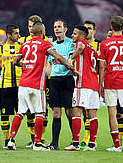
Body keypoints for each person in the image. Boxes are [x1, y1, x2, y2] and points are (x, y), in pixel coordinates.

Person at [7, 22, 78, 151]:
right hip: (36, 84)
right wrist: (69, 67)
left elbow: (15, 61)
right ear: (42, 32)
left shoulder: (25, 44)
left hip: (23, 83)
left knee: (20, 112)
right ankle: (38, 143)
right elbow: (57, 56)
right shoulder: (45, 44)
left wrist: (26, 67)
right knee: (40, 112)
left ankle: (11, 140)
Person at [98, 16, 123, 152]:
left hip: (110, 81)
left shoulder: (104, 44)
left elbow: (102, 67)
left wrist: (100, 85)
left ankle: (116, 145)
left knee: (112, 113)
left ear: (111, 27)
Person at [64, 25, 99, 151]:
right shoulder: (93, 49)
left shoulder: (81, 43)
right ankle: (92, 144)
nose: (72, 35)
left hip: (82, 84)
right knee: (92, 115)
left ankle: (75, 143)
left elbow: (80, 47)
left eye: (74, 33)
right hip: (94, 85)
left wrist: (71, 58)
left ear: (82, 35)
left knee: (76, 111)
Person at [19, 15, 51, 148]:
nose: (30, 29)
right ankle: (34, 139)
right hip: (32, 80)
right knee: (31, 112)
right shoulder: (23, 40)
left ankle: (40, 138)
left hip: (43, 79)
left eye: (32, 26)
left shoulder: (48, 41)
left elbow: (49, 61)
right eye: (28, 26)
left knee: (44, 110)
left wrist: (44, 71)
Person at [46, 19, 74, 150]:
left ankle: (75, 141)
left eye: (59, 27)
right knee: (56, 113)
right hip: (55, 80)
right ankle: (54, 143)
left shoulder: (71, 43)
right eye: (55, 27)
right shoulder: (51, 45)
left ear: (65, 29)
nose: (57, 29)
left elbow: (72, 61)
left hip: (67, 79)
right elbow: (50, 66)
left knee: (69, 112)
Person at [0, 24, 21, 149]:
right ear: (9, 35)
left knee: (29, 113)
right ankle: (7, 140)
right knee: (5, 115)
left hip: (21, 85)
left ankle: (33, 140)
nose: (18, 35)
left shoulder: (22, 47)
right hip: (5, 86)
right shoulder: (0, 49)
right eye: (16, 33)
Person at [79, 20, 101, 149]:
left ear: (94, 30)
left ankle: (88, 138)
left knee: (91, 112)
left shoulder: (99, 45)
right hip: (82, 82)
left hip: (94, 83)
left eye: (90, 28)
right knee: (83, 113)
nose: (88, 31)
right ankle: (87, 138)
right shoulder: (79, 44)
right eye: (86, 28)